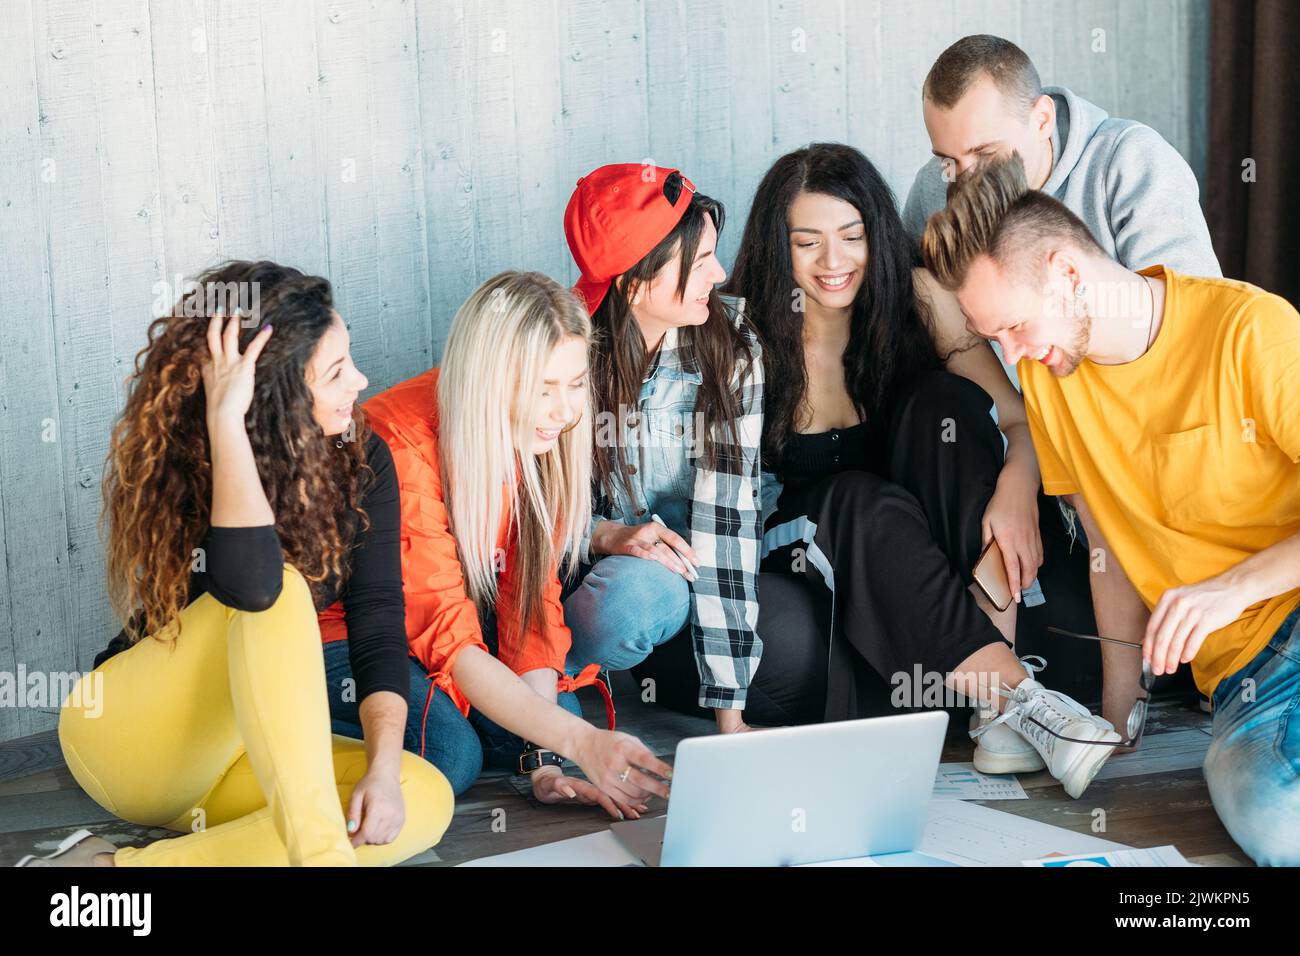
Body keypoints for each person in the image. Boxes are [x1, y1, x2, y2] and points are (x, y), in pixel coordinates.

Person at [921, 153, 1300, 864]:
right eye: (994, 338)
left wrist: (1231, 588)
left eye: (1014, 327)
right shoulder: (1055, 380)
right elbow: (1109, 551)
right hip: (1250, 680)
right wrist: (1118, 712)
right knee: (1268, 809)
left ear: (1066, 273)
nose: (1013, 354)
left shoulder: (1251, 331)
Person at [724, 142, 1118, 785]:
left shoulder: (915, 296)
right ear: (778, 247)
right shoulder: (745, 331)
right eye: (808, 242)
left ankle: (996, 719)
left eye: (852, 237)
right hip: (797, 539)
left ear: (876, 233)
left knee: (945, 405)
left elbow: (1015, 421)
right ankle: (1021, 701)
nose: (834, 263)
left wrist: (1017, 491)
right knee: (858, 495)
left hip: (907, 545)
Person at [46, 261, 452, 867]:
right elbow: (253, 586)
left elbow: (377, 621)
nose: (362, 381)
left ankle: (109, 871)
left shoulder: (362, 458)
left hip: (237, 757)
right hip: (135, 739)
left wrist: (385, 772)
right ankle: (321, 860)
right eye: (338, 372)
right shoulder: (198, 461)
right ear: (279, 394)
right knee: (280, 588)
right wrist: (225, 423)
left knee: (421, 796)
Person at [901, 33, 1223, 729]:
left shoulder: (1130, 165)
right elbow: (929, 332)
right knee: (943, 406)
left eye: (984, 157)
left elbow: (1183, 361)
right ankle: (1006, 705)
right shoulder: (939, 190)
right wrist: (1021, 450)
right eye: (948, 161)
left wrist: (1034, 458)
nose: (965, 181)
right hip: (1019, 446)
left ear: (1042, 120)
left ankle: (1121, 690)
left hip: (1132, 462)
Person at [358, 270, 672, 820]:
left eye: (575, 384)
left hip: (440, 637)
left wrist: (546, 761)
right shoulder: (401, 440)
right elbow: (447, 638)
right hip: (350, 638)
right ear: (488, 381)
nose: (565, 411)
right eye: (542, 389)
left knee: (543, 719)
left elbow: (529, 608)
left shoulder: (541, 441)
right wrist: (580, 744)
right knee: (453, 755)